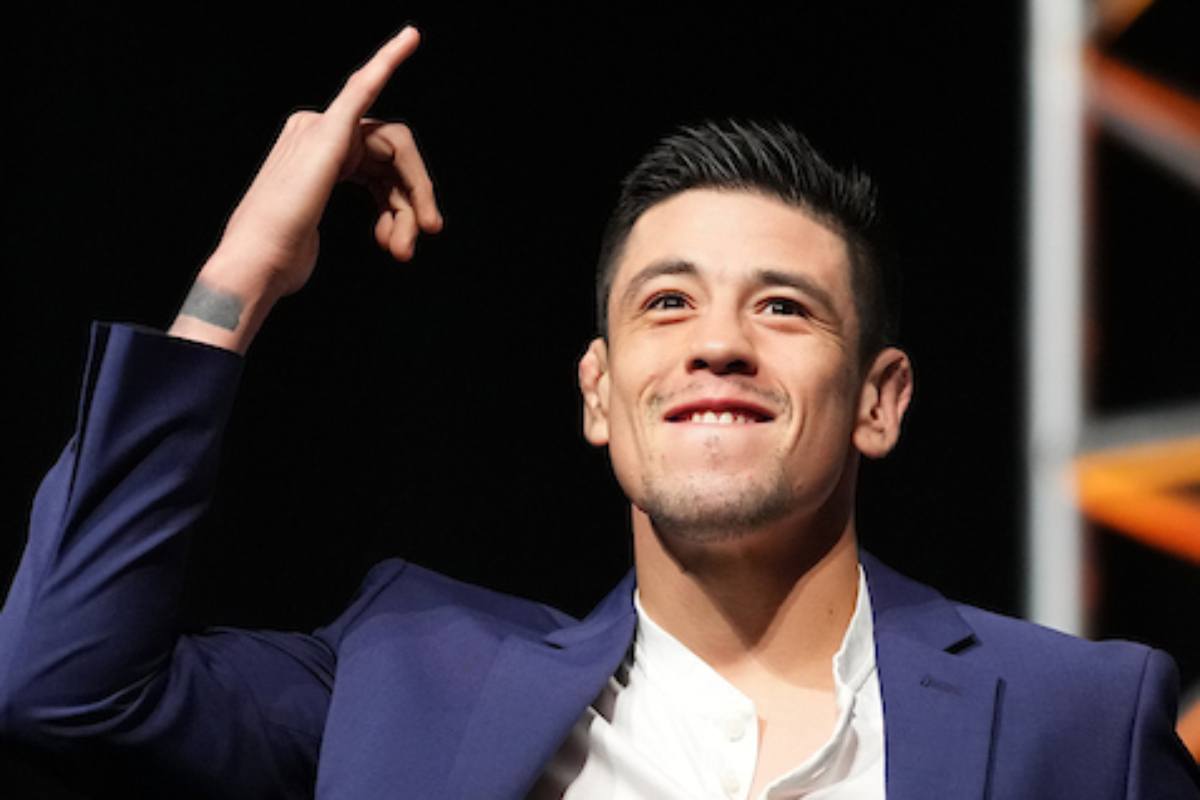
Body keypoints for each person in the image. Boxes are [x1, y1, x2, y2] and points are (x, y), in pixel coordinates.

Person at [0, 25, 1197, 800]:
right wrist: (245, 269)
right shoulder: (410, 675)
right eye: (666, 302)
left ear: (878, 401)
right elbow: (62, 682)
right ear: (598, 393)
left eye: (783, 306)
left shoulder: (1081, 717)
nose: (718, 341)